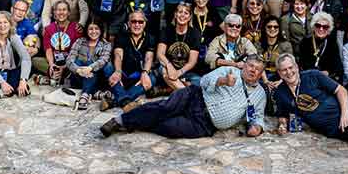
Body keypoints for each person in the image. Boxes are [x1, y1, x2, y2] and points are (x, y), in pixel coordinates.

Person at [100, 57, 268, 140]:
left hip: (204, 124)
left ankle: (138, 118)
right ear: (244, 65)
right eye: (251, 66)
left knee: (170, 128)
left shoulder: (260, 94)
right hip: (195, 97)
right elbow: (204, 81)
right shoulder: (230, 72)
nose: (253, 70)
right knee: (164, 108)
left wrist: (257, 128)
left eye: (257, 69)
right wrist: (223, 81)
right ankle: (120, 121)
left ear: (261, 74)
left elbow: (258, 116)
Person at [102, 8, 156, 110]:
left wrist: (145, 72)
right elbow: (118, 55)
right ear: (129, 23)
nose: (137, 25)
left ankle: (115, 101)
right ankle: (126, 101)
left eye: (140, 22)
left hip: (137, 78)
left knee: (152, 78)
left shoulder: (150, 38)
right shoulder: (121, 36)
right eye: (133, 21)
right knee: (107, 67)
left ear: (144, 24)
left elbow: (149, 57)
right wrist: (118, 71)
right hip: (121, 75)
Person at [65, 19, 111, 110]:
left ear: (101, 30)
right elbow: (69, 59)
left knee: (91, 63)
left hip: (96, 76)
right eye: (91, 29)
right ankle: (94, 93)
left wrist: (90, 68)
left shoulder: (106, 44)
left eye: (96, 29)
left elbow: (103, 60)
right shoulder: (80, 41)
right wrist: (78, 70)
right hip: (78, 75)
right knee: (78, 61)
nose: (93, 31)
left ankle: (85, 95)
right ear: (86, 30)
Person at [296, 11, 344, 80]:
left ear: (329, 29)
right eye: (318, 25)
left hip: (327, 78)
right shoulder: (305, 42)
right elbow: (301, 64)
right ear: (313, 26)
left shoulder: (332, 43)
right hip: (309, 77)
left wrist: (328, 72)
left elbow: (337, 65)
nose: (321, 29)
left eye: (325, 27)